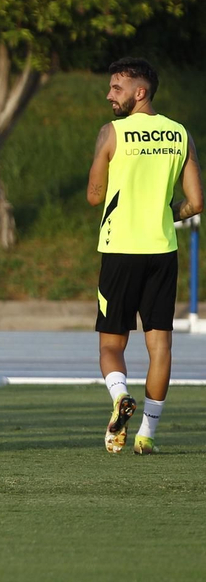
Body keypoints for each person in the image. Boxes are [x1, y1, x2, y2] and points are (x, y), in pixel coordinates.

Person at [86, 58, 201, 455]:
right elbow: (197, 201)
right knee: (161, 346)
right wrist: (169, 213)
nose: (109, 95)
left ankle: (120, 398)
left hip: (120, 250)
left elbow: (94, 196)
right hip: (161, 250)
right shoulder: (180, 134)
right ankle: (147, 434)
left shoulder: (111, 133)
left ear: (140, 92)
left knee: (110, 346)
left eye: (116, 88)